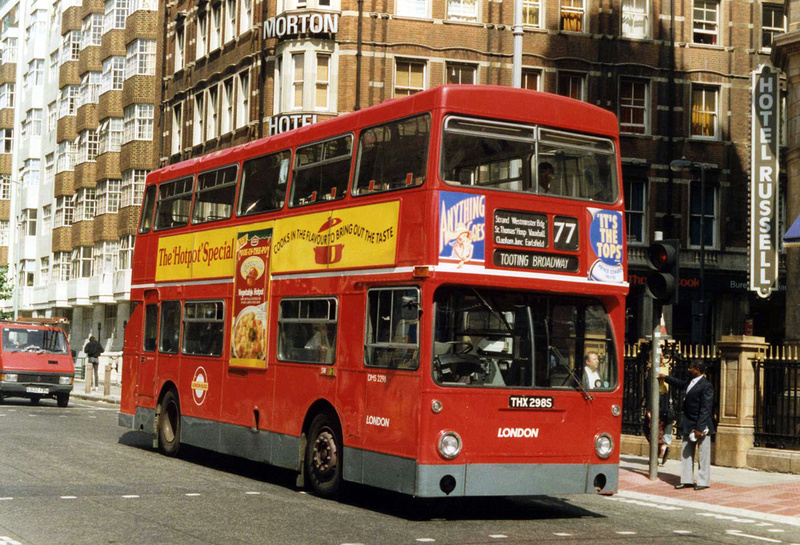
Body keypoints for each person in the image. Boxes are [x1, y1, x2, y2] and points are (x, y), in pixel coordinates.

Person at [661, 360, 715, 490]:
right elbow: (680, 384)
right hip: (688, 423)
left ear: (697, 369)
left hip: (701, 426)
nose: (688, 370)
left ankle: (703, 482)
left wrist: (699, 428)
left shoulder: (706, 385)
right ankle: (686, 480)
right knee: (686, 452)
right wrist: (666, 378)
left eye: (691, 368)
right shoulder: (690, 382)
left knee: (703, 455)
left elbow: (705, 408)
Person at [644, 360, 675, 466]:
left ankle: (660, 450)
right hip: (664, 405)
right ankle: (661, 449)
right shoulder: (666, 372)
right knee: (658, 429)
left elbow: (649, 390)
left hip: (655, 405)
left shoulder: (653, 372)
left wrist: (649, 408)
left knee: (652, 430)